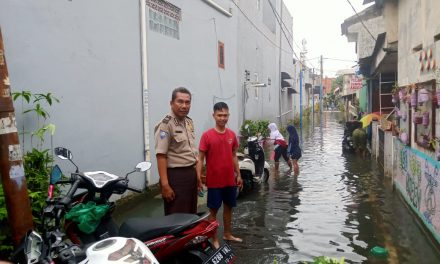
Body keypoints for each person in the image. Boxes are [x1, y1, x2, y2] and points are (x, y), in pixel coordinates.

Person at [196, 102, 243, 248]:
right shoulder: (207, 136)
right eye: (219, 115)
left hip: (229, 180)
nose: (222, 118)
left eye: (225, 115)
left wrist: (239, 174)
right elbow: (201, 158)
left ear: (228, 115)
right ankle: (213, 237)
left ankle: (227, 233)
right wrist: (198, 176)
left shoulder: (231, 135)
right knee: (213, 211)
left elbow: (234, 155)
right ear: (214, 116)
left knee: (229, 208)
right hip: (214, 181)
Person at [154, 87, 201, 215]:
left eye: (187, 102)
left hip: (190, 174)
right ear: (171, 103)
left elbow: (191, 152)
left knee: (191, 214)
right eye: (180, 101)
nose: (184, 105)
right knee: (177, 217)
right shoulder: (166, 124)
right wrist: (165, 185)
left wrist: (197, 176)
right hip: (176, 177)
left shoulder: (189, 122)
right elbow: (161, 155)